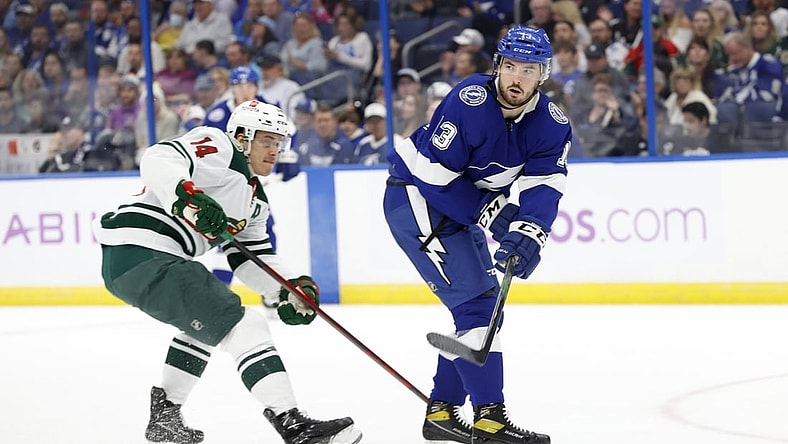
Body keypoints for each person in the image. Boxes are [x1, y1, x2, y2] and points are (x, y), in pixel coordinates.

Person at [92, 100, 363, 444]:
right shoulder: (219, 146)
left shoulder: (255, 202)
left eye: (279, 143)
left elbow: (252, 257)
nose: (275, 150)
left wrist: (288, 289)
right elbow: (158, 158)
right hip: (143, 249)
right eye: (267, 140)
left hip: (139, 260)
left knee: (203, 327)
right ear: (242, 137)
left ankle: (165, 414)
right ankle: (292, 424)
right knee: (247, 325)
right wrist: (186, 196)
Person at [384, 25, 570, 444]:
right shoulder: (469, 100)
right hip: (416, 197)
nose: (517, 78)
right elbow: (433, 177)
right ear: (498, 66)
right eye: (511, 66)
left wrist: (531, 231)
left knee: (486, 313)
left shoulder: (551, 124)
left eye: (529, 69)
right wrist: (493, 213)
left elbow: (545, 185)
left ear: (543, 75)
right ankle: (489, 419)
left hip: (461, 206)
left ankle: (442, 412)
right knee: (477, 311)